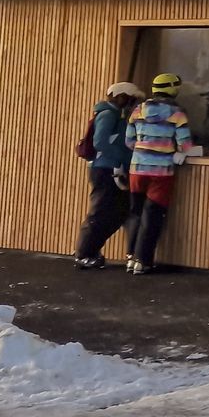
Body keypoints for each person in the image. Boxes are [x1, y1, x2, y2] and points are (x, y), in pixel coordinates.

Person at [123, 72, 192, 275]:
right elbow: (185, 145)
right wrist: (174, 151)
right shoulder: (177, 113)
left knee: (136, 213)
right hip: (161, 173)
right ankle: (143, 261)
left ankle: (130, 258)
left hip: (137, 169)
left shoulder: (138, 110)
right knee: (152, 216)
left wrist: (145, 149)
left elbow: (129, 141)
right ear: (173, 88)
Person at [74, 82, 142, 269]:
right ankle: (84, 253)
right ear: (121, 97)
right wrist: (121, 158)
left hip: (112, 168)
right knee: (100, 211)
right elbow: (100, 142)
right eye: (131, 99)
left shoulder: (117, 115)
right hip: (106, 169)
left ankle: (91, 249)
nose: (133, 104)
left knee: (117, 212)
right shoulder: (108, 114)